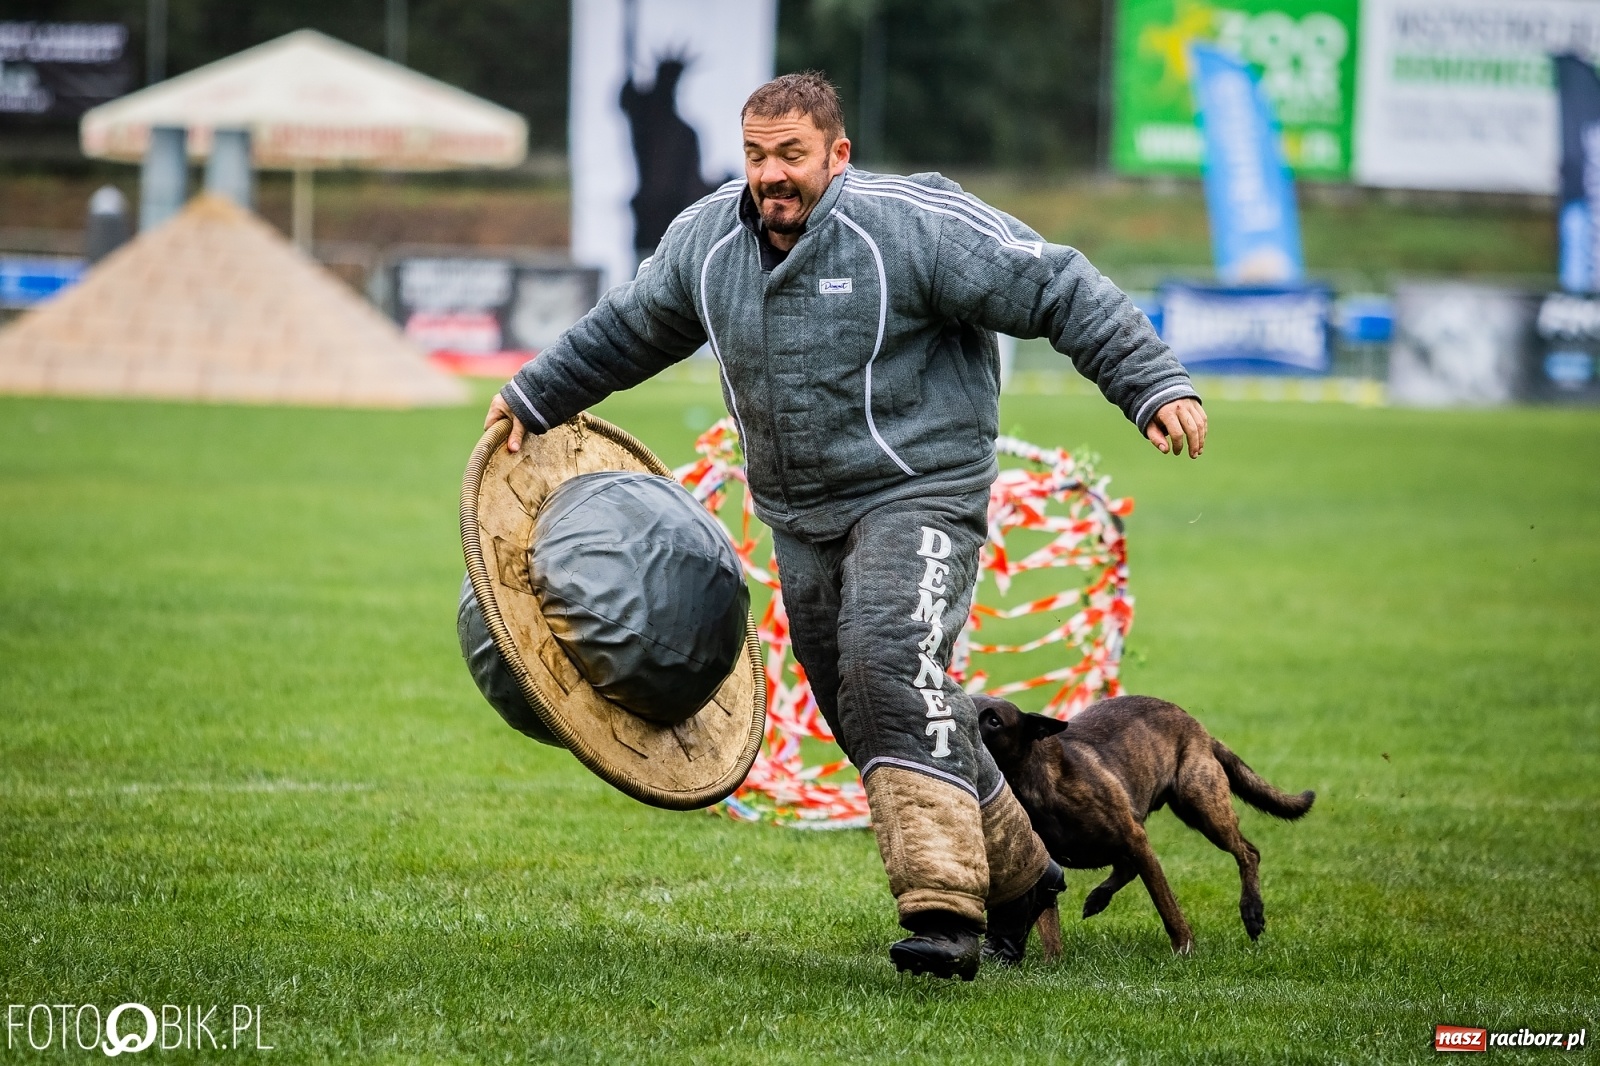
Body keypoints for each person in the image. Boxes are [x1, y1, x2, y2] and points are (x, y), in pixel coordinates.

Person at [486, 72, 1207, 980]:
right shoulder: (705, 242)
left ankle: (945, 912)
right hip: (800, 517)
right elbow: (628, 328)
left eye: (792, 154)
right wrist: (534, 395)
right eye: (756, 155)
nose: (771, 174)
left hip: (922, 493)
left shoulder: (912, 225)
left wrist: (1153, 383)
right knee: (867, 712)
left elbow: (1054, 285)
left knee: (886, 665)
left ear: (838, 154)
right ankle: (1024, 874)